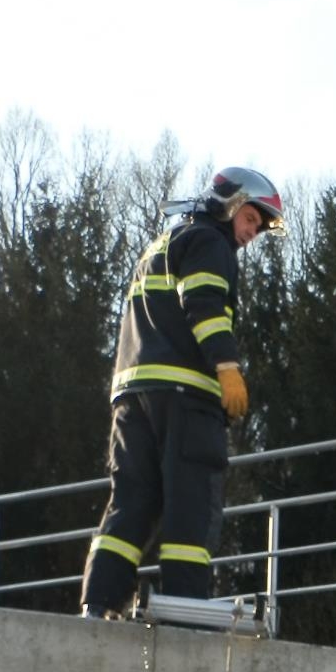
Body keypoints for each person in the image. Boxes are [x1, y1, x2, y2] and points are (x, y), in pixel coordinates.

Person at [80, 167, 285, 619]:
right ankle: (184, 614)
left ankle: (99, 604)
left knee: (132, 501)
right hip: (186, 398)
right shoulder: (211, 243)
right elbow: (206, 308)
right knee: (191, 505)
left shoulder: (162, 244)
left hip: (132, 397)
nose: (252, 233)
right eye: (252, 220)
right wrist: (228, 369)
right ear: (231, 205)